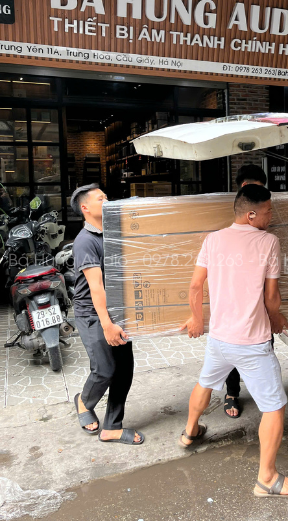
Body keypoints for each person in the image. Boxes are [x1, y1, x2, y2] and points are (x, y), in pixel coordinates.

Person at [179, 184, 288, 499]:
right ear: (251, 215)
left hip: (219, 337)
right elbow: (271, 295)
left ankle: (190, 432)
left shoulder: (213, 239)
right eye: (268, 211)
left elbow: (195, 285)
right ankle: (267, 479)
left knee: (206, 382)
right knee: (275, 407)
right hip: (252, 343)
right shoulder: (268, 242)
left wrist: (197, 319)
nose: (271, 216)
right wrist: (276, 318)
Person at [71, 184, 144, 446]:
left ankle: (112, 427)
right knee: (104, 370)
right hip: (92, 313)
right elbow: (96, 287)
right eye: (101, 198)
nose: (107, 201)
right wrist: (107, 325)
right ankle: (84, 401)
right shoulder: (85, 241)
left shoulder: (114, 233)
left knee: (124, 370)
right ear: (85, 208)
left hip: (119, 309)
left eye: (107, 196)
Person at [224, 163, 268, 419]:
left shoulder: (265, 210)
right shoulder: (234, 212)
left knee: (263, 346)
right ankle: (232, 393)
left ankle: (265, 393)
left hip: (258, 292)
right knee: (231, 347)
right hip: (233, 294)